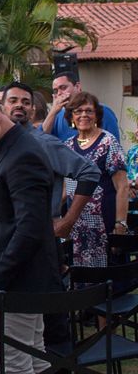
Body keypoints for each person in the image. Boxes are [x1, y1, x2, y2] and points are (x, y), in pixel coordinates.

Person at [0, 97, 62, 374]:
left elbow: (30, 229)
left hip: (18, 283)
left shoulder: (23, 154)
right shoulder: (7, 148)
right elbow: (3, 219)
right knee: (35, 357)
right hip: (16, 277)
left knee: (15, 364)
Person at [0, 81, 101, 345]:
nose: (20, 106)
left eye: (25, 102)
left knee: (52, 326)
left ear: (33, 110)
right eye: (13, 101)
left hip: (43, 246)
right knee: (18, 331)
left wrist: (68, 220)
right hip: (8, 244)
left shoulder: (42, 143)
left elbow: (89, 172)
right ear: (1, 107)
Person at [63, 92, 129, 267]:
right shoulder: (67, 146)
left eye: (89, 111)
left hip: (104, 222)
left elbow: (122, 187)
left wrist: (120, 224)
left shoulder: (108, 142)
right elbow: (65, 187)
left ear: (96, 116)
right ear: (71, 116)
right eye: (78, 111)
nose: (83, 115)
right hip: (76, 225)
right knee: (81, 278)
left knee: (108, 279)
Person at [43, 72, 120, 141]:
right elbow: (40, 139)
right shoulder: (57, 116)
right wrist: (53, 111)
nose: (59, 93)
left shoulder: (102, 111)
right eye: (55, 91)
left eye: (63, 88)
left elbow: (114, 145)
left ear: (77, 86)